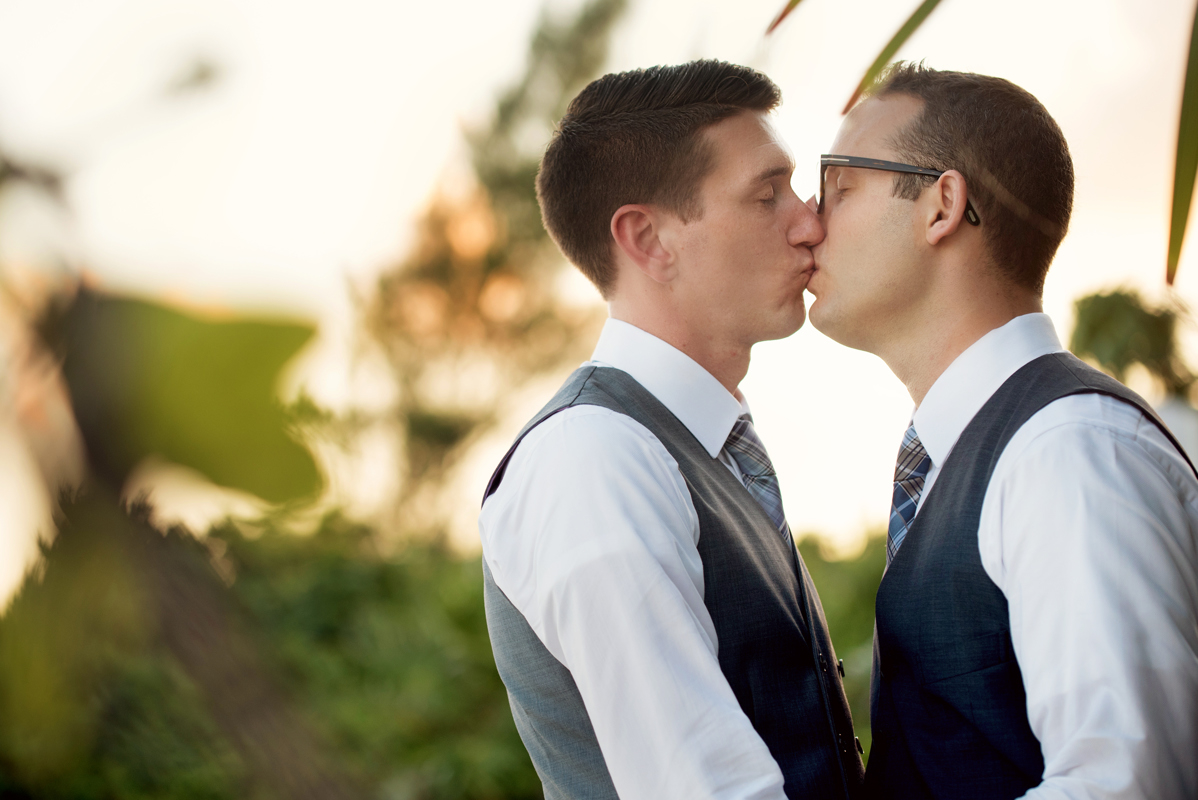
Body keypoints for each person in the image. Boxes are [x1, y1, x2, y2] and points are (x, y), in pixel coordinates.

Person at [807, 62, 1198, 800]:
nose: (806, 217)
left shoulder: (1069, 452)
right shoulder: (995, 451)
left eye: (838, 184)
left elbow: (1128, 784)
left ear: (941, 204)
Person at [478, 60, 864, 800]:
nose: (810, 222)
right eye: (766, 194)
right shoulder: (593, 458)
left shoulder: (687, 446)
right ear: (649, 240)